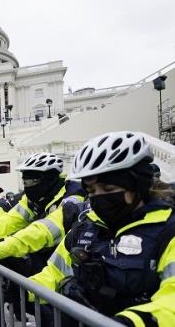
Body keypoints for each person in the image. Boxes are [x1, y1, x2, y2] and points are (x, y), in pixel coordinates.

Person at [28, 131, 175, 326]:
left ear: (136, 187)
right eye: (91, 191)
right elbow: (55, 273)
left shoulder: (167, 230)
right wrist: (25, 290)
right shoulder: (84, 229)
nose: (99, 197)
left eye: (108, 190)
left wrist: (134, 321)